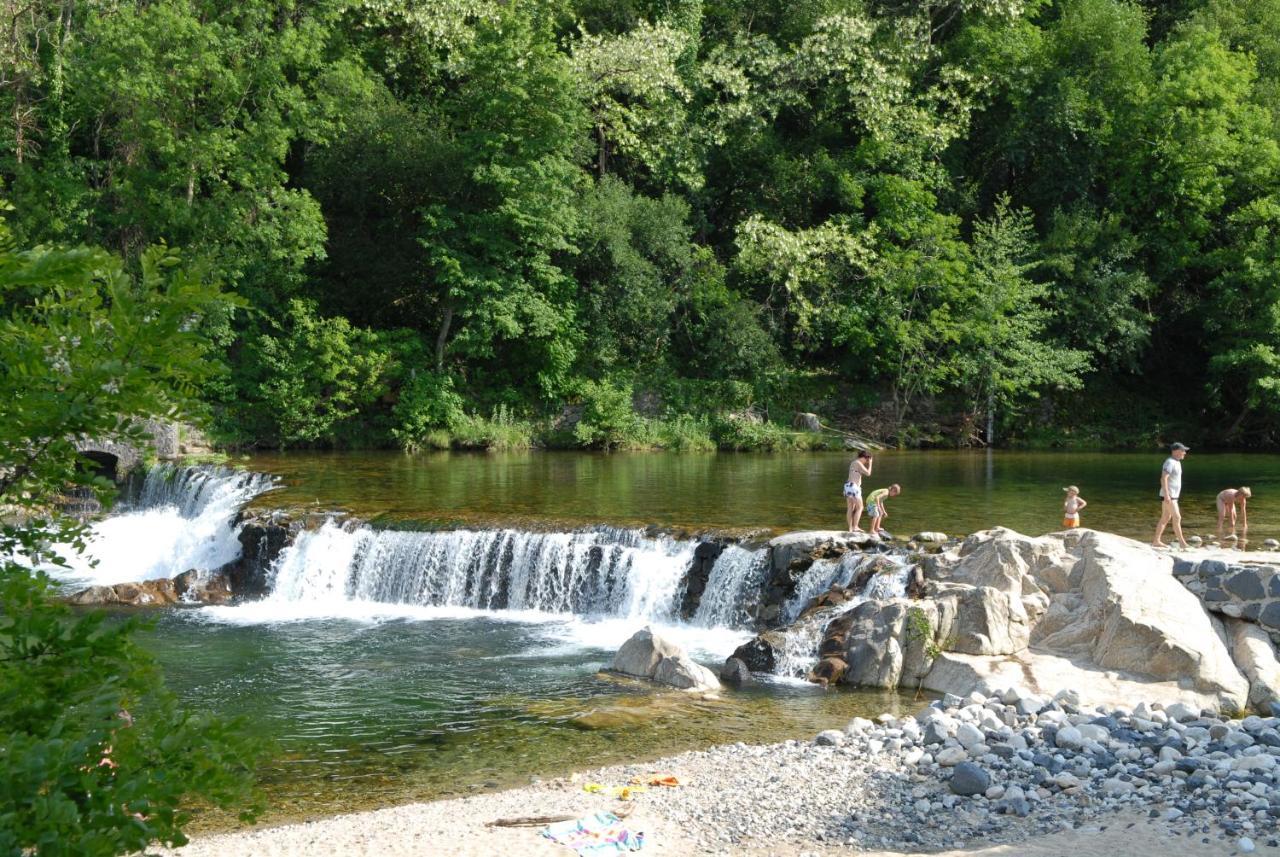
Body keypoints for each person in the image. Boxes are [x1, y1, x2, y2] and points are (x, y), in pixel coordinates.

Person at [1153, 442, 1190, 549]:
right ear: (1176, 451)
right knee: (1177, 517)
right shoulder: (1170, 462)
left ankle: (1156, 541)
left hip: (1172, 496)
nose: (1184, 453)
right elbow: (1163, 478)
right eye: (1183, 451)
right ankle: (1182, 543)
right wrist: (1167, 495)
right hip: (1169, 496)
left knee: (1165, 518)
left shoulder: (1177, 462)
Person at [844, 450, 873, 532]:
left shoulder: (854, 463)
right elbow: (868, 473)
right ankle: (855, 526)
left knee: (850, 507)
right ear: (864, 457)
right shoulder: (858, 463)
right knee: (860, 507)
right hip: (853, 487)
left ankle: (850, 528)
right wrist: (870, 464)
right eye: (867, 460)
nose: (867, 462)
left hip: (848, 486)